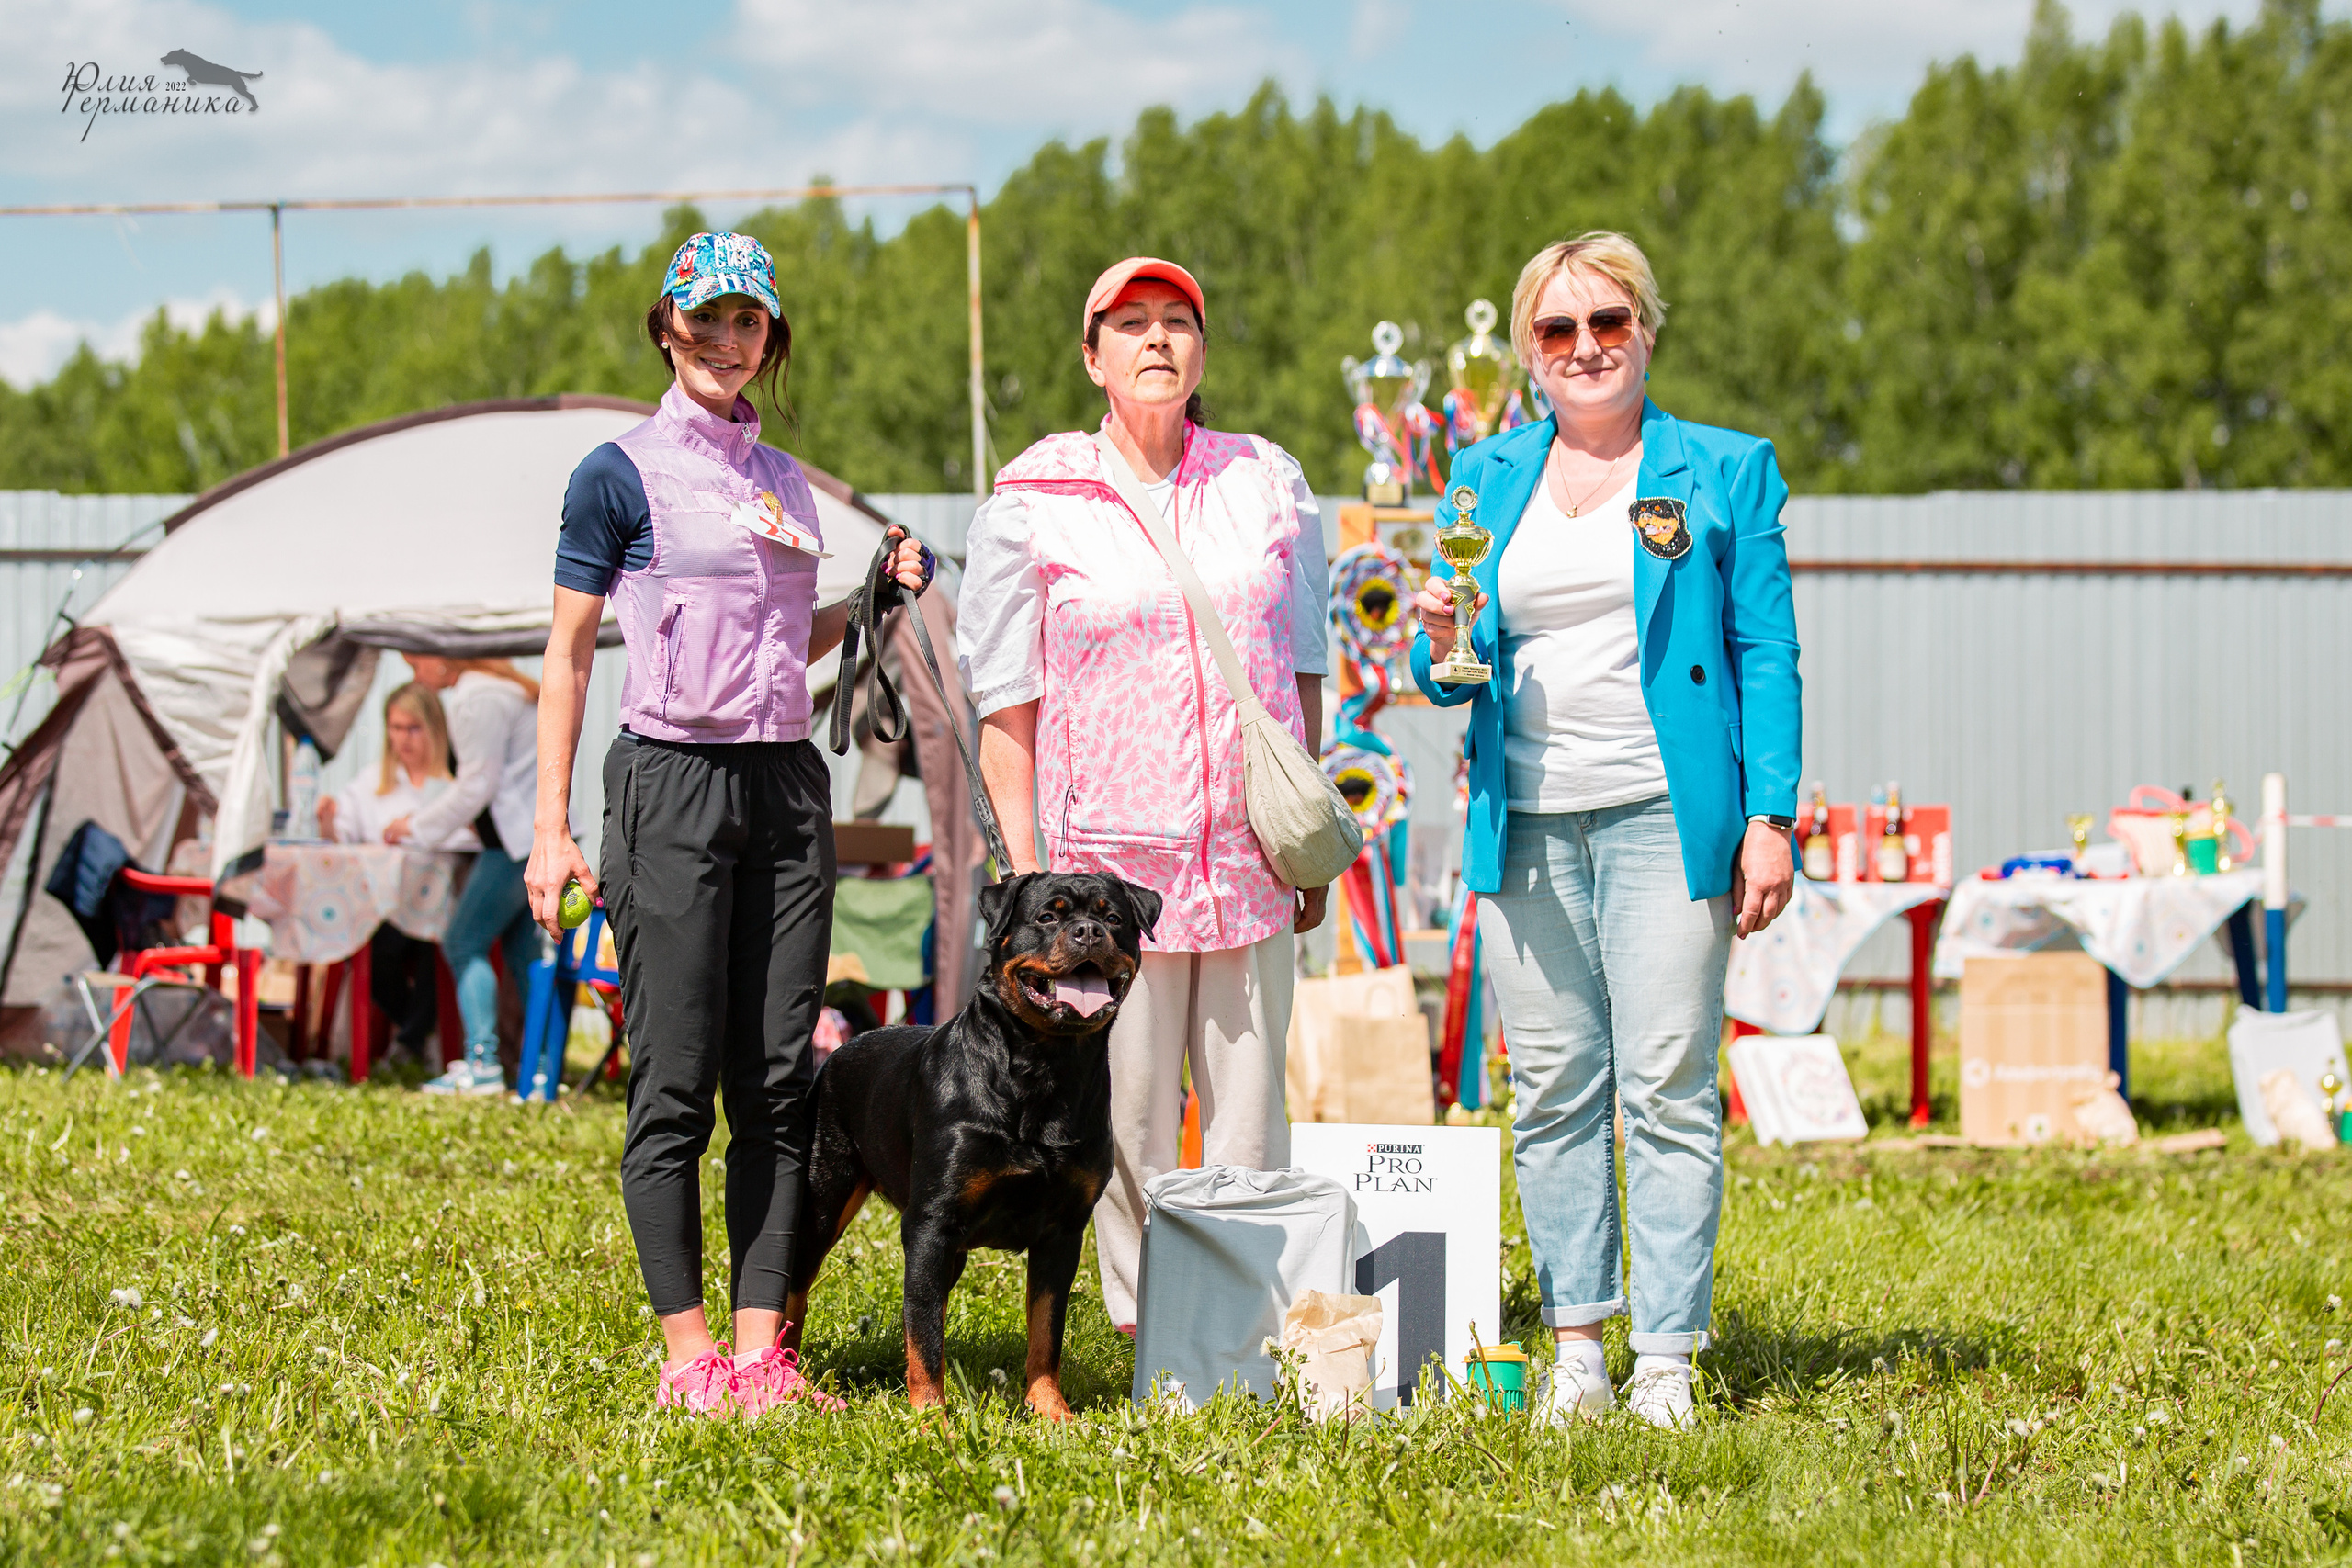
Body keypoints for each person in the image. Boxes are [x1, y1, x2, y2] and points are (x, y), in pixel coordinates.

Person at [526, 231, 932, 1416]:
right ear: (667, 326)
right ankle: (687, 1359)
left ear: (770, 339)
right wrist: (550, 831)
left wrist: (868, 600)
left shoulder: (789, 482)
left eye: (747, 320)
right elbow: (565, 656)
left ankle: (760, 1358)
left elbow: (789, 640)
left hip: (785, 787)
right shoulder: (617, 474)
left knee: (776, 1083)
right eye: (704, 317)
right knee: (674, 1082)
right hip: (669, 782)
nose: (725, 338)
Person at [1410, 231, 1800, 1428]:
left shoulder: (1724, 468)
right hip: (1524, 820)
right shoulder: (1481, 473)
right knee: (1553, 1088)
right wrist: (1440, 640)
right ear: (1529, 351)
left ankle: (1666, 1357)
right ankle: (1578, 1349)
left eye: (1607, 321)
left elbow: (1764, 650)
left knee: (1669, 1086)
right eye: (1557, 328)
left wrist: (1771, 815)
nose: (1585, 346)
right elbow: (1448, 673)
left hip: (1663, 817)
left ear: (1646, 329)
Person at [956, 256, 1329, 1336]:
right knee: (1122, 1121)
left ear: (1202, 349)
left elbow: (1303, 664)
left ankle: (1245, 1333)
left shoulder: (1267, 481)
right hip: (1103, 880)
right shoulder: (1034, 502)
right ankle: (1146, 1328)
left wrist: (1304, 830)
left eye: (1177, 320)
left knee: (1250, 1117)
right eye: (1130, 324)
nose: (1157, 338)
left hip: (1247, 858)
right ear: (1092, 356)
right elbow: (1006, 706)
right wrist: (1026, 877)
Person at [390, 656, 542, 1097]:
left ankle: (483, 1063)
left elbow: (478, 784)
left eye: (417, 663)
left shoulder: (476, 699)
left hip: (513, 847)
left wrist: (416, 826)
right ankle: (539, 1067)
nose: (415, 674)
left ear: (442, 658)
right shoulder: (502, 689)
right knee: (523, 957)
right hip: (526, 840)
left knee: (462, 942)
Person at [316, 681, 476, 1060]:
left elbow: (472, 839)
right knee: (364, 943)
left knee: (438, 940)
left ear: (434, 728)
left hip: (440, 908)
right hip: (383, 909)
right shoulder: (371, 783)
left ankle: (411, 1040)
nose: (403, 738)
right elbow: (343, 837)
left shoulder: (456, 787)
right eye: (396, 728)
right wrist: (327, 823)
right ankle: (414, 1035)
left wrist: (416, 829)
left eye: (413, 728)